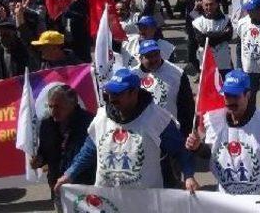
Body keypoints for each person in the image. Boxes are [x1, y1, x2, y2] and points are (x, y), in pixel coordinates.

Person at [54, 69, 199, 191]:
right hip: (109, 200)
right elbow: (89, 150)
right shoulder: (101, 116)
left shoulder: (157, 118)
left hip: (146, 201)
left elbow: (180, 150)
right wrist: (70, 174)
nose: (112, 99)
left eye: (118, 94)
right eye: (110, 93)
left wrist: (188, 176)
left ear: (134, 92)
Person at [185, 70, 260, 195]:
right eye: (227, 95)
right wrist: (197, 147)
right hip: (229, 201)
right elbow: (212, 154)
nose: (230, 101)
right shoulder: (215, 120)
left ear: (248, 95)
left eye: (236, 96)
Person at [31, 85, 95, 212]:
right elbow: (44, 151)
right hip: (57, 187)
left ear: (73, 103)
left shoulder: (89, 123)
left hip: (84, 187)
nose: (53, 111)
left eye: (58, 107)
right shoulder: (47, 124)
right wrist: (39, 160)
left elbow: (91, 155)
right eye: (51, 106)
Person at [130, 40, 195, 134]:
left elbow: (187, 106)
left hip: (170, 130)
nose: (153, 59)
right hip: (142, 131)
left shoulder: (177, 74)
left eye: (156, 54)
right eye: (148, 56)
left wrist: (186, 132)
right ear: (140, 58)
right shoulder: (132, 75)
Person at [192, 0, 233, 77]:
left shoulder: (226, 19)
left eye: (211, 4)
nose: (209, 7)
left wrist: (208, 36)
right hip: (206, 62)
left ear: (216, 5)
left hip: (224, 62)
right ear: (202, 6)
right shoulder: (197, 22)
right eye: (206, 5)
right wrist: (222, 33)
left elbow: (229, 37)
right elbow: (203, 42)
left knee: (227, 88)